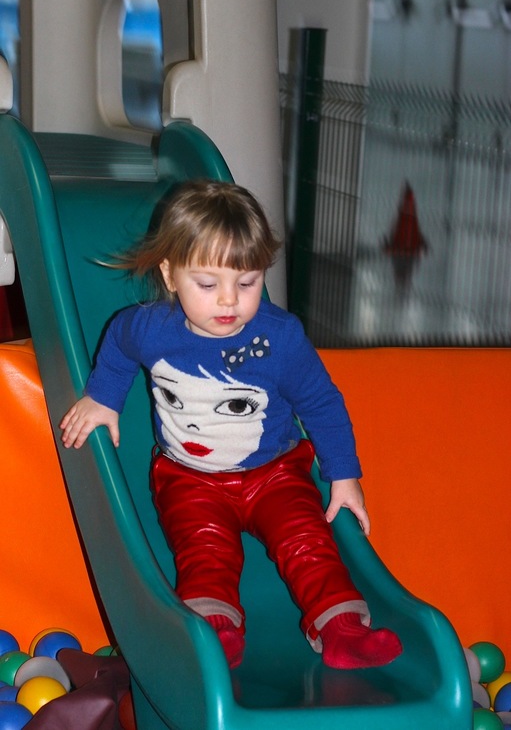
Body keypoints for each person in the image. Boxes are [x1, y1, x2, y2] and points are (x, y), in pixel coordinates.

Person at [60, 179, 402, 671]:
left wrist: (344, 474)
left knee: (307, 540)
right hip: (189, 479)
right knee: (203, 550)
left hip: (275, 473)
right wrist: (103, 398)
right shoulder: (151, 327)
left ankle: (342, 628)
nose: (228, 301)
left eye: (247, 283)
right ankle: (214, 632)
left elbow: (321, 402)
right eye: (208, 284)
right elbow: (118, 342)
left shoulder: (280, 338)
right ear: (170, 275)